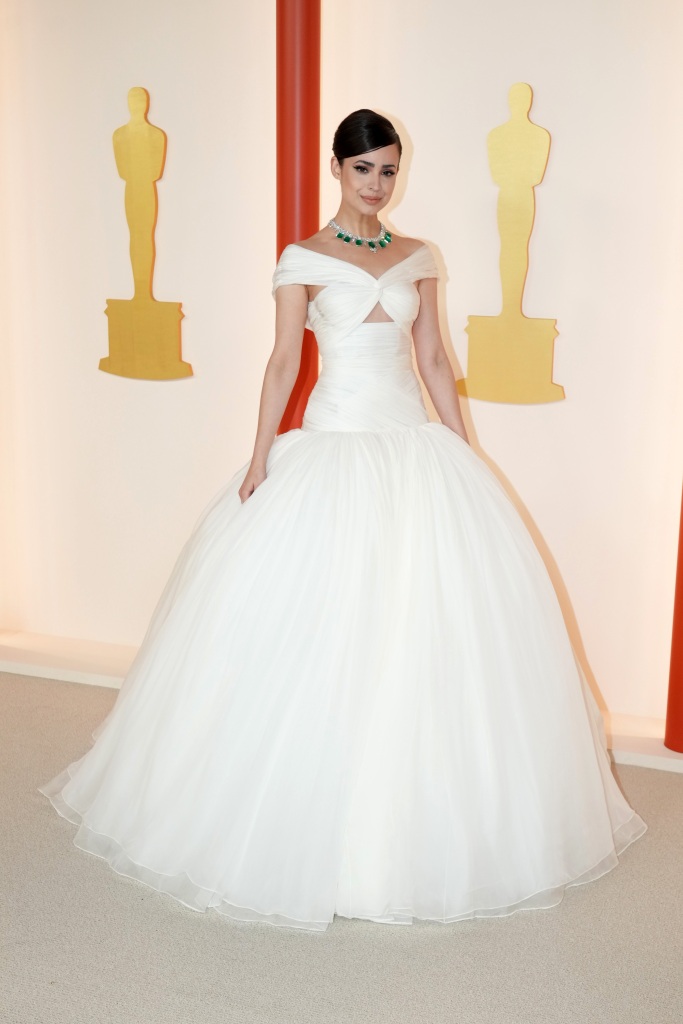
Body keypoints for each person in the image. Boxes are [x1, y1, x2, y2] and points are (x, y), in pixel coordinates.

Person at [39, 109, 646, 932]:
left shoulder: (419, 256)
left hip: (410, 447)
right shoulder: (303, 258)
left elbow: (433, 359)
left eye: (389, 170)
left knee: (426, 633)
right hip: (327, 444)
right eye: (364, 170)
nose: (377, 184)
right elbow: (284, 358)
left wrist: (468, 457)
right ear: (337, 169)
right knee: (309, 627)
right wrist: (258, 457)